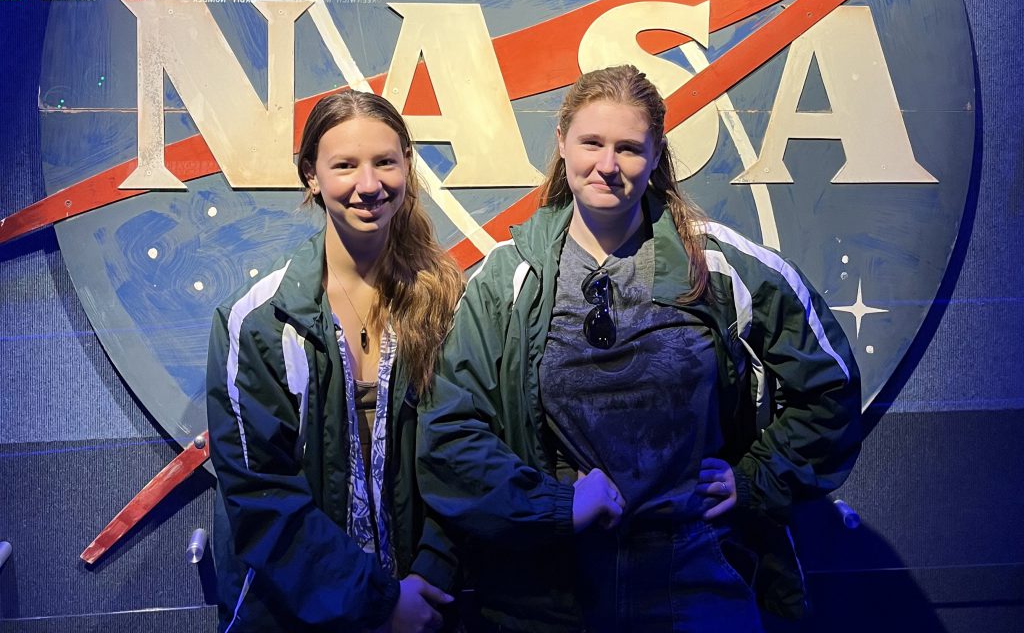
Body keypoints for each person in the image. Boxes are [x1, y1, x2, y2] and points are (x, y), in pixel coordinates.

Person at [417, 65, 862, 632]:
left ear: (656, 156)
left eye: (629, 148)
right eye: (592, 143)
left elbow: (832, 386)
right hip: (554, 592)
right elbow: (450, 436)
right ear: (561, 143)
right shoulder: (507, 280)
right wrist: (556, 508)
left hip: (697, 580)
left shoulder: (717, 268)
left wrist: (756, 481)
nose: (608, 165)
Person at [206, 90, 465, 632]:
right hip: (298, 615)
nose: (368, 185)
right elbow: (261, 497)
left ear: (407, 166)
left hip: (430, 608)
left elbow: (467, 454)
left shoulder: (452, 304)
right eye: (345, 165)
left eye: (384, 162)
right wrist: (379, 604)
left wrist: (427, 580)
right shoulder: (259, 322)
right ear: (311, 175)